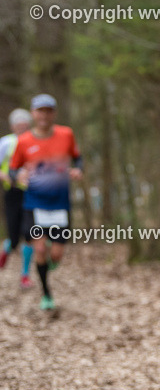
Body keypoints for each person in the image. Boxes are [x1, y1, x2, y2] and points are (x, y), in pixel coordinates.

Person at [10, 95, 83, 311]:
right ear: (33, 113)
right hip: (34, 204)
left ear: (54, 113)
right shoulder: (23, 141)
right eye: (40, 111)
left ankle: (48, 265)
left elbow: (77, 157)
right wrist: (17, 177)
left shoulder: (66, 134)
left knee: (56, 254)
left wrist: (78, 169)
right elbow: (13, 169)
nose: (44, 115)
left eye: (48, 111)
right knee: (40, 249)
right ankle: (47, 294)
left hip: (60, 204)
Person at [0, 108, 34, 285]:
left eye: (24, 124)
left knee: (29, 233)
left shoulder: (34, 141)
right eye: (18, 124)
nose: (21, 127)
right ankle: (6, 250)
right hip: (12, 192)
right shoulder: (6, 142)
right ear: (13, 126)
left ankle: (25, 274)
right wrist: (4, 175)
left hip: (32, 193)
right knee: (14, 237)